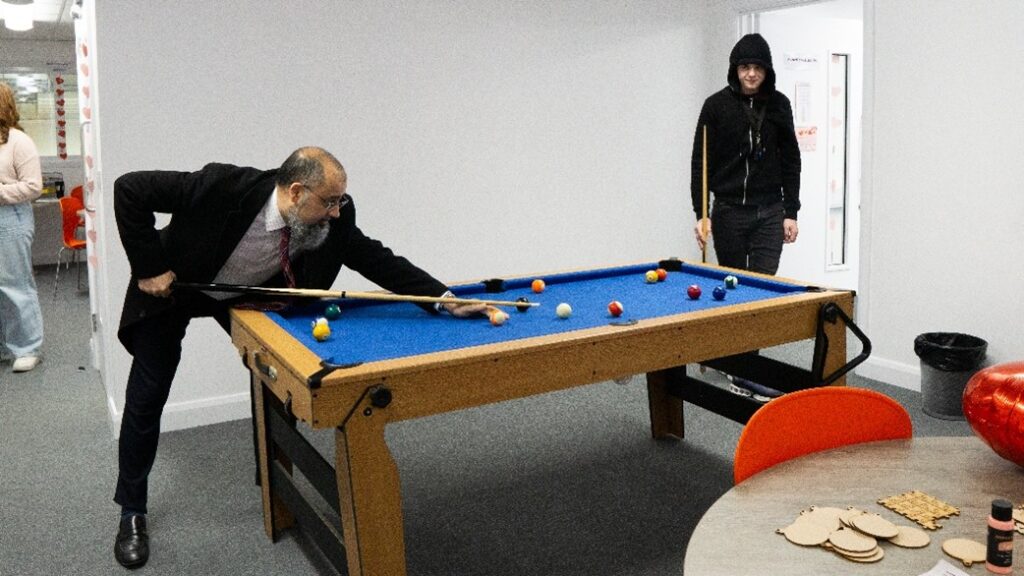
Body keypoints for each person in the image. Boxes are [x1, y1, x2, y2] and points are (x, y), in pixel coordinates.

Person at [111, 147, 486, 568]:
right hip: (175, 289)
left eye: (339, 200)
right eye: (328, 201)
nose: (336, 212)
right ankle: (132, 511)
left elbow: (375, 257)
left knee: (276, 379)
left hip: (243, 300)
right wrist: (149, 267)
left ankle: (273, 478)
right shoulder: (222, 187)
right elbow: (130, 189)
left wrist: (443, 298)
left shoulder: (333, 218)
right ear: (294, 192)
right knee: (147, 395)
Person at [689, 34, 801, 401]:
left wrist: (791, 211)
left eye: (757, 68)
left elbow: (791, 161)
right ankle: (742, 369)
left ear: (766, 71)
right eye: (744, 67)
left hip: (770, 211)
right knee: (736, 289)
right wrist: (701, 214)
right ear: (735, 69)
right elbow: (699, 164)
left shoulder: (780, 105)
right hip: (729, 212)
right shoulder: (715, 107)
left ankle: (743, 367)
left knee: (761, 292)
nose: (751, 74)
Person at [0, 82, 45, 373]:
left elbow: (33, 186)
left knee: (14, 285)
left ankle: (27, 347)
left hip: (10, 219)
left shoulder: (18, 141)